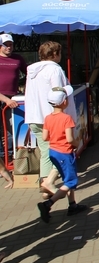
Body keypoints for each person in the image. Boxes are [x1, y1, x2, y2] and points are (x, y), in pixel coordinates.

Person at [25, 41, 77, 199]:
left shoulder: (33, 71)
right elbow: (59, 94)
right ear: (54, 54)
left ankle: (46, 189)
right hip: (52, 118)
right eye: (60, 53)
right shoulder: (55, 70)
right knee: (62, 151)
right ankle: (50, 184)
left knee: (46, 153)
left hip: (35, 117)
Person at [36, 85, 87, 223]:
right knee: (71, 181)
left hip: (53, 152)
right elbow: (70, 139)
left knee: (67, 178)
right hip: (65, 152)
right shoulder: (66, 118)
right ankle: (48, 204)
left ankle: (72, 205)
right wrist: (77, 143)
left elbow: (45, 136)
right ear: (64, 102)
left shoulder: (48, 118)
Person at [0, 33, 27, 159]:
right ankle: (2, 160)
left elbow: (29, 74)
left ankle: (12, 156)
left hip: (13, 97)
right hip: (3, 97)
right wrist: (5, 99)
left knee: (12, 127)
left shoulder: (18, 58)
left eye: (11, 45)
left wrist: (28, 89)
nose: (9, 47)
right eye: (6, 45)